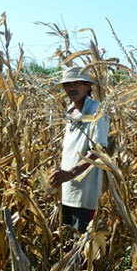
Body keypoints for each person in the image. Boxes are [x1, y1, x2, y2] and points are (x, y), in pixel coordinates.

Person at [49, 66, 109, 233]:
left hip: (85, 194)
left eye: (77, 83)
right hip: (67, 191)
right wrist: (60, 173)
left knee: (83, 246)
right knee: (68, 240)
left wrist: (72, 172)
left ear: (88, 86)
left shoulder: (97, 111)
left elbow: (97, 149)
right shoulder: (70, 112)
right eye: (68, 85)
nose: (72, 88)